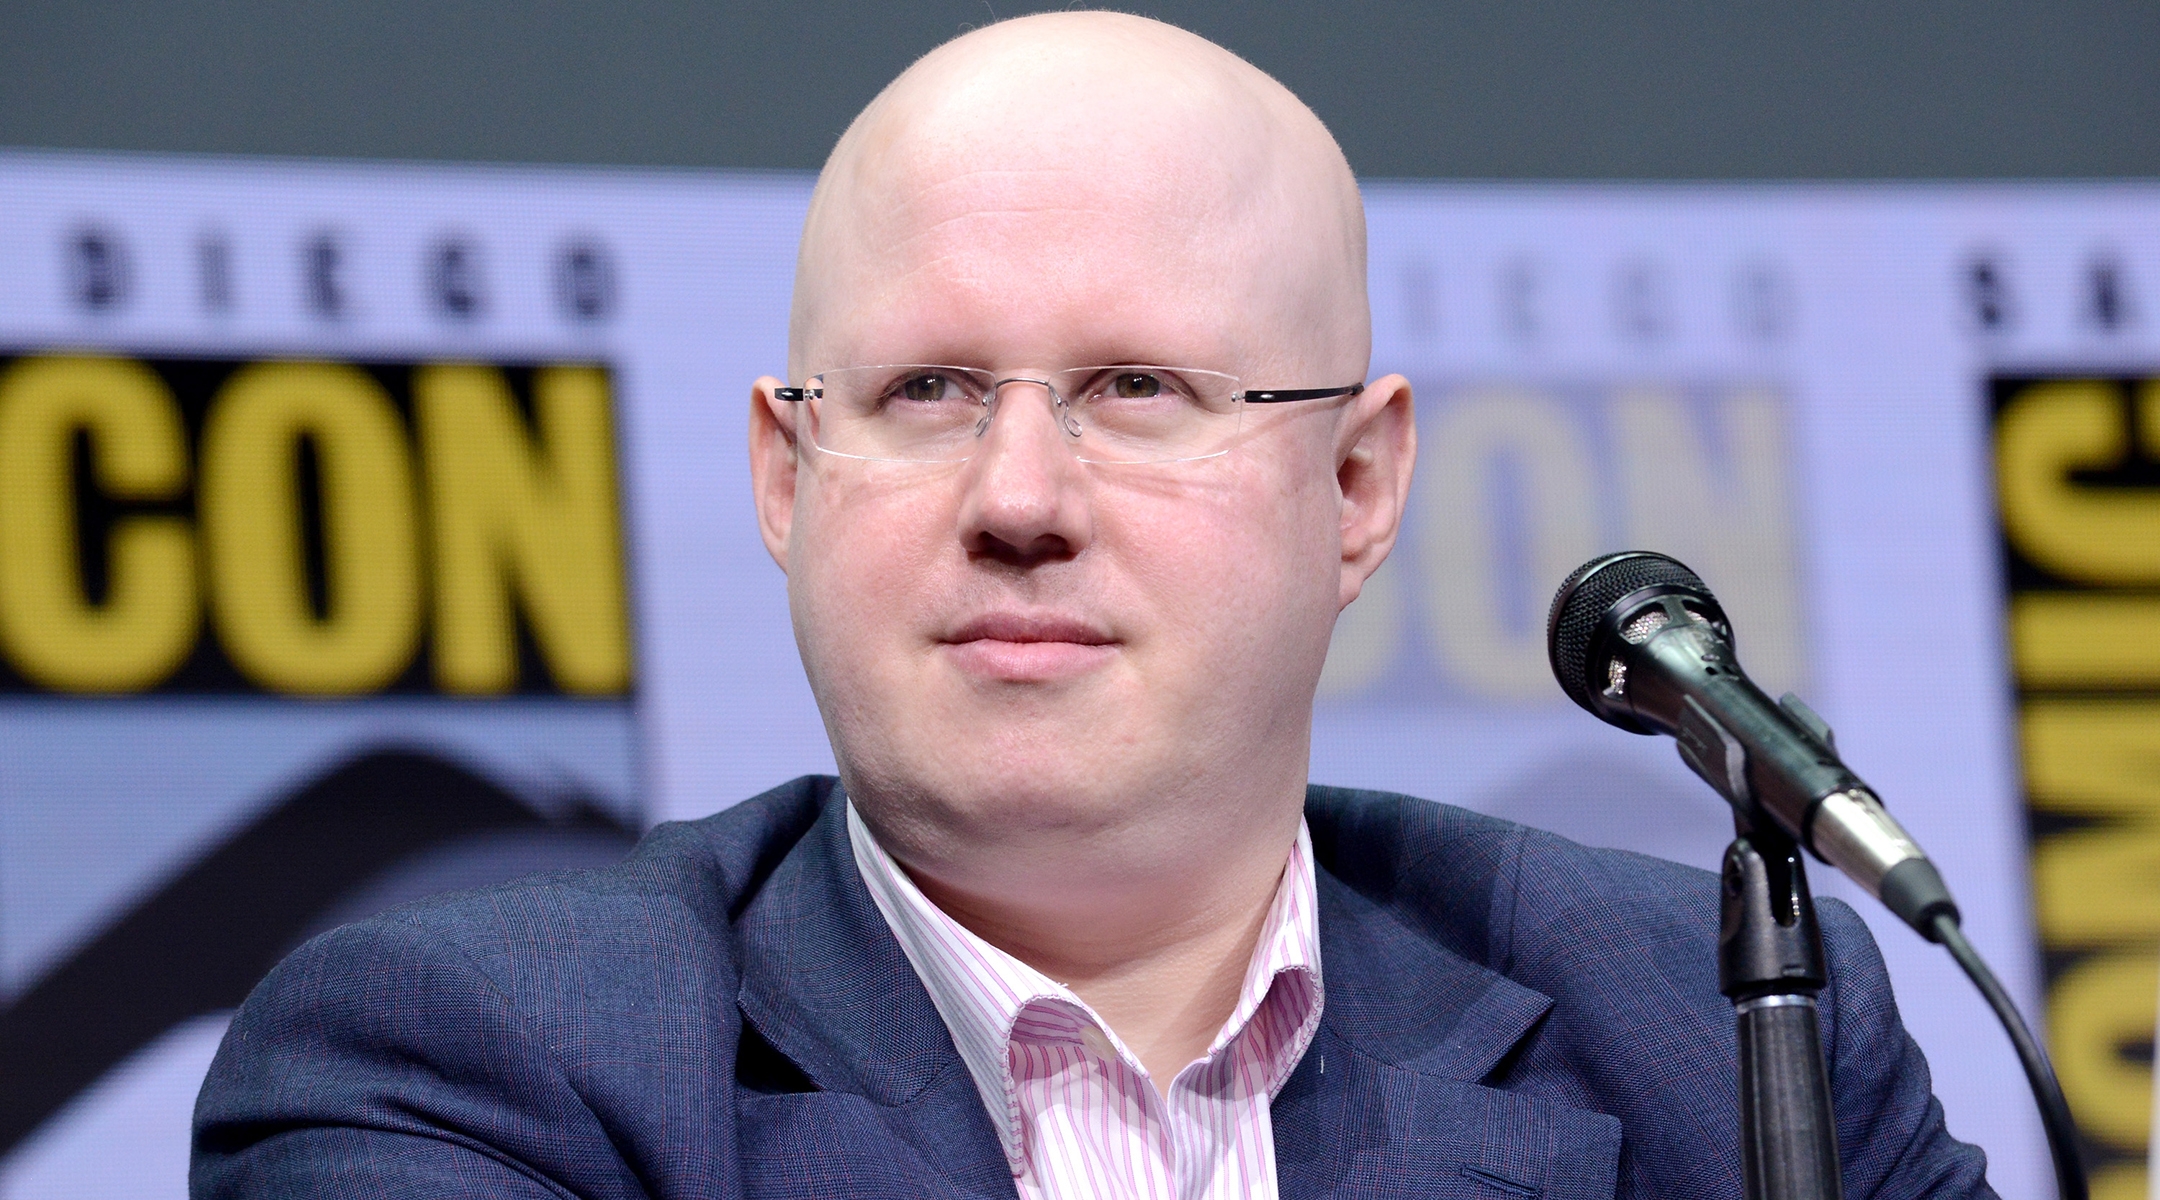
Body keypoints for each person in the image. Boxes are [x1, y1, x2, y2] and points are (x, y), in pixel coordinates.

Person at [192, 12, 1993, 1198]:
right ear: (784, 477)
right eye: (923, 394)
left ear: (1355, 488)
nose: (1021, 501)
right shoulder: (462, 1071)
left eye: (1141, 389)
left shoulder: (1725, 1028)